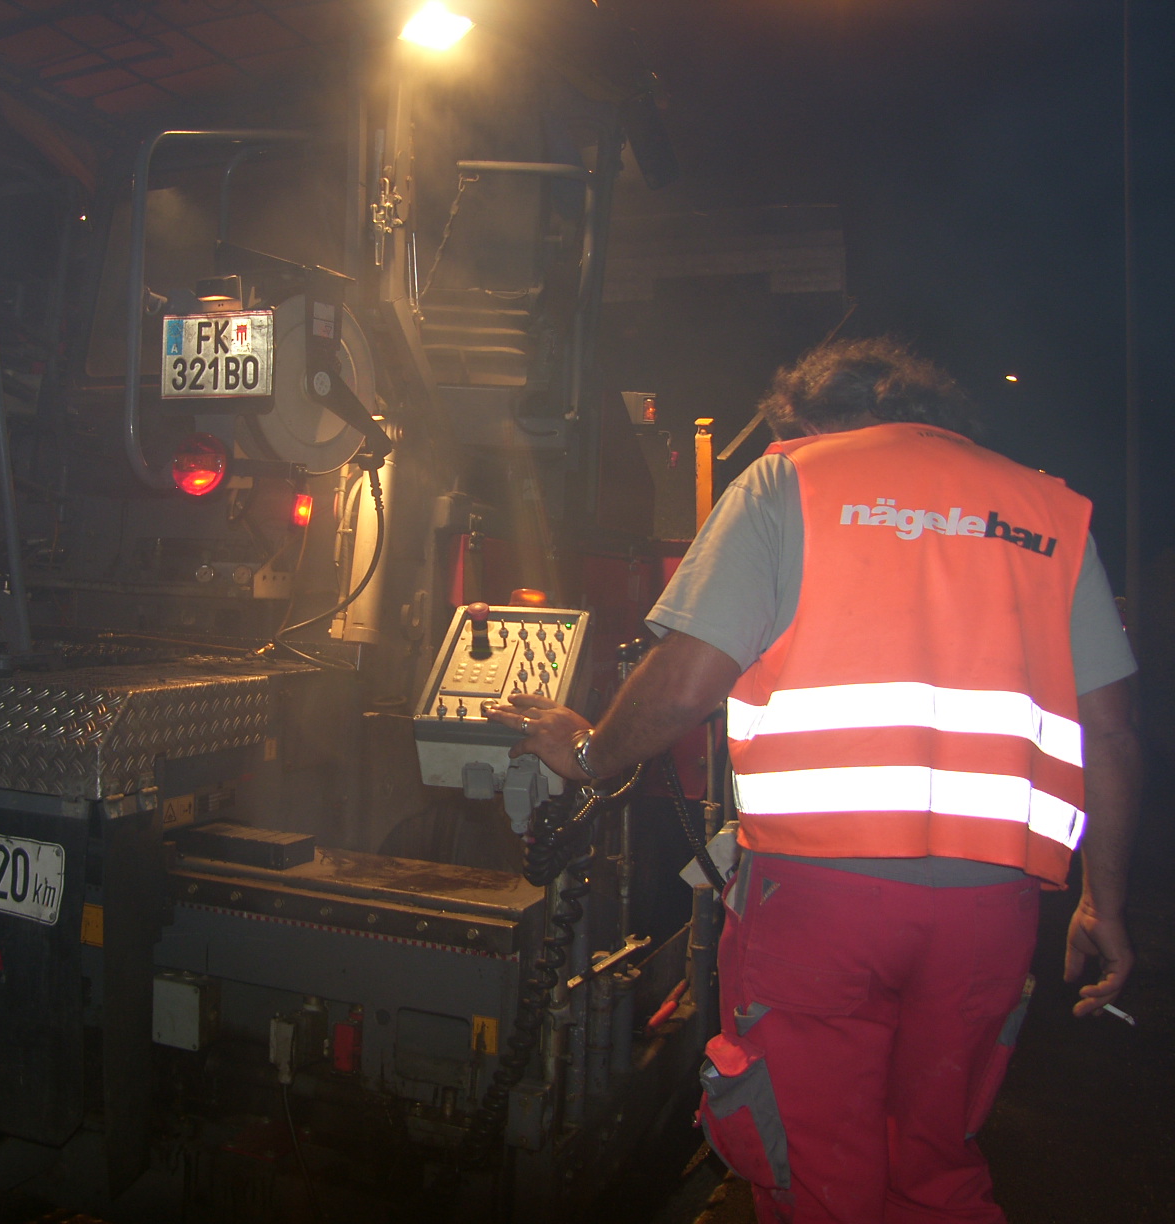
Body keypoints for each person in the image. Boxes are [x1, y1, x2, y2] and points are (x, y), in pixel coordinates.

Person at [487, 338, 1140, 1224]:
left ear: (814, 417)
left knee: (816, 1165)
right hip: (992, 906)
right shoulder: (1050, 510)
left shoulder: (789, 480)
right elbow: (1112, 731)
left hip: (820, 899)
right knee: (937, 1162)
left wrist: (591, 753)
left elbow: (685, 683)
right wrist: (1104, 902)